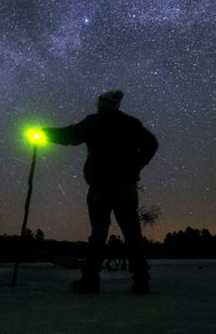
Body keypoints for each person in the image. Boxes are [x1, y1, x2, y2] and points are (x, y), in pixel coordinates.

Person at [43, 90, 158, 294]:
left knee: (98, 233)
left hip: (101, 187)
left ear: (102, 105)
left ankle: (90, 280)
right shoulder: (131, 124)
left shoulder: (93, 122)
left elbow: (69, 136)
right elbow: (152, 144)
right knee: (133, 233)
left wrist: (43, 132)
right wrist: (136, 166)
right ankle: (141, 281)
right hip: (126, 187)